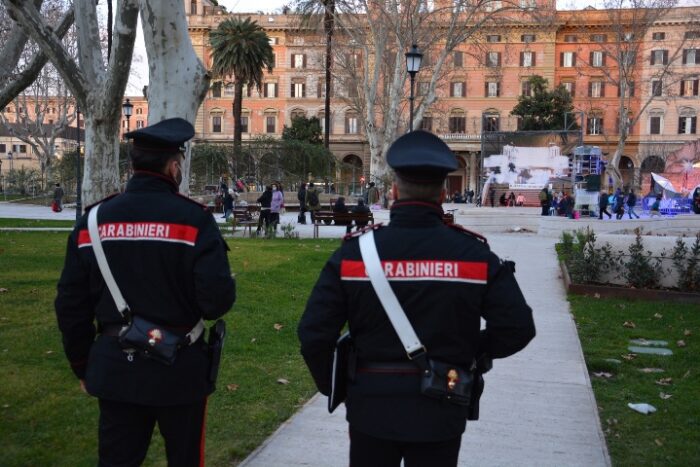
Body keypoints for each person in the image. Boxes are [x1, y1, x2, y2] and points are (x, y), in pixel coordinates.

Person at [298, 130, 536, 467]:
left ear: (394, 190)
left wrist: (337, 387)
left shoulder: (356, 255)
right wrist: (473, 351)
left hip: (372, 408)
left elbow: (313, 334)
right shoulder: (474, 255)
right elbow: (518, 327)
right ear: (442, 193)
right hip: (442, 406)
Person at [54, 118, 236, 466]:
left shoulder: (94, 221)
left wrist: (82, 366)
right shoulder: (194, 220)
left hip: (115, 366)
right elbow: (216, 303)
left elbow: (70, 304)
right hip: (180, 370)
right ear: (173, 166)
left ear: (133, 165)